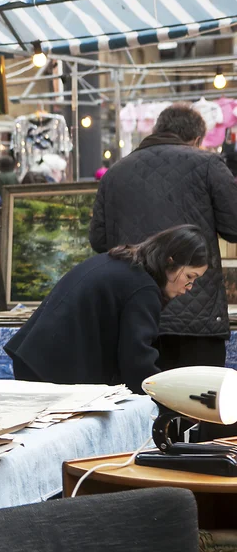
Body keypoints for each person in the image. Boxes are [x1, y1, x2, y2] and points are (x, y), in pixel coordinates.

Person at [90, 104, 237, 372]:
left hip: (133, 315)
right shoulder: (208, 164)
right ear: (196, 139)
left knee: (142, 407)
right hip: (196, 320)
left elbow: (99, 241)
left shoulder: (114, 173)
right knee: (197, 406)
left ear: (158, 129)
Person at [4, 225, 209, 394]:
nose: (189, 288)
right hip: (51, 368)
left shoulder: (122, 263)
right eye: (189, 277)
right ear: (169, 262)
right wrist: (165, 400)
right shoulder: (142, 288)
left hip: (37, 357)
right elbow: (136, 362)